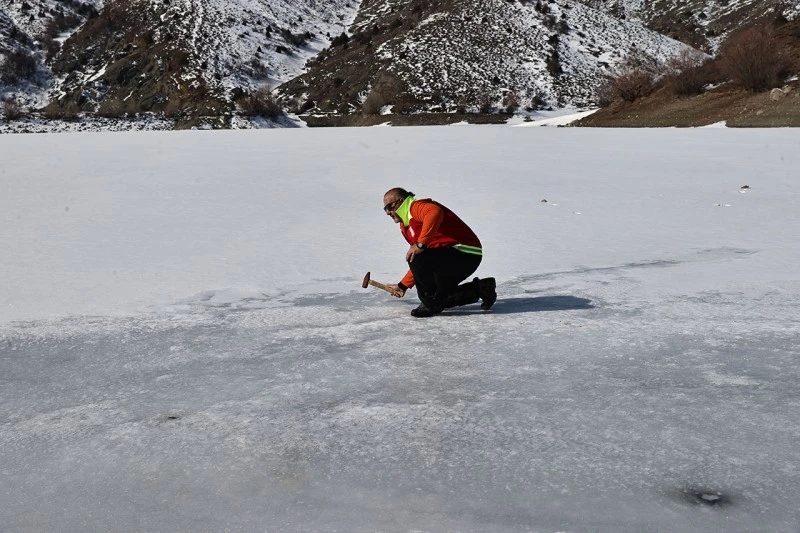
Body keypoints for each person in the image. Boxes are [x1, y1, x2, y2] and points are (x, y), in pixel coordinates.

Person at [382, 187, 497, 317]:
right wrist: (402, 286)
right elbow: (420, 262)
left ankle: (430, 303)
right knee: (439, 299)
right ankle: (482, 288)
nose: (388, 212)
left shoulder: (415, 207)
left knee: (429, 292)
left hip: (465, 253)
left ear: (401, 201)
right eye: (385, 209)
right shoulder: (406, 226)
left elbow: (434, 212)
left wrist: (420, 244)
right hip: (454, 258)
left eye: (390, 207)